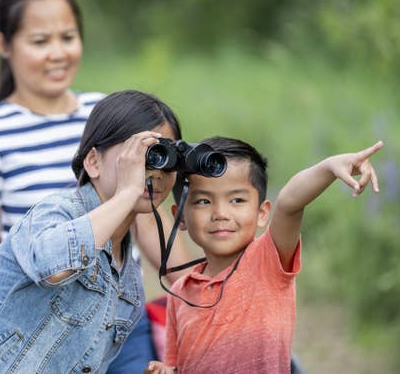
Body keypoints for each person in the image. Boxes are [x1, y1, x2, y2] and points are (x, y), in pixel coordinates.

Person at [0, 0, 190, 372]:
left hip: (117, 316)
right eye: (40, 41)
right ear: (4, 45)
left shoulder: (105, 114)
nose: (57, 53)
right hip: (39, 321)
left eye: (68, 37)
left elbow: (149, 214)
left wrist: (189, 299)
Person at [0, 90, 183, 373]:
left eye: (165, 157)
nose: (154, 171)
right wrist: (127, 193)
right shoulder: (54, 213)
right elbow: (54, 267)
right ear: (93, 161)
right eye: (138, 156)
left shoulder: (129, 285)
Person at [144, 136, 383, 373]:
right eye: (204, 201)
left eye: (237, 200)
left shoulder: (268, 260)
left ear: (262, 213)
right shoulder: (179, 293)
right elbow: (178, 366)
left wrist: (329, 167)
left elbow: (289, 203)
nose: (220, 213)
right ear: (180, 217)